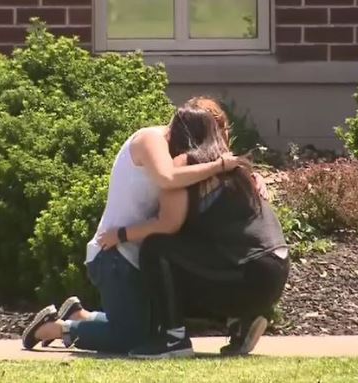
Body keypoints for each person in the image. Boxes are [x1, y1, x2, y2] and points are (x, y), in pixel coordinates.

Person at [21, 103, 241, 353]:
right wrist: (220, 166)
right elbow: (166, 177)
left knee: (150, 334)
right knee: (129, 339)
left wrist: (249, 177)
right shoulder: (151, 139)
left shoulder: (180, 155)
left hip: (138, 253)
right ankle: (56, 328)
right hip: (113, 253)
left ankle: (80, 315)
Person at [97, 99, 290, 359]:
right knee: (188, 251)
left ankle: (173, 339)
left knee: (157, 249)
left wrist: (120, 234)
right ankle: (239, 323)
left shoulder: (185, 163)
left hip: (248, 271)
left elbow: (168, 224)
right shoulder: (238, 169)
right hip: (274, 272)